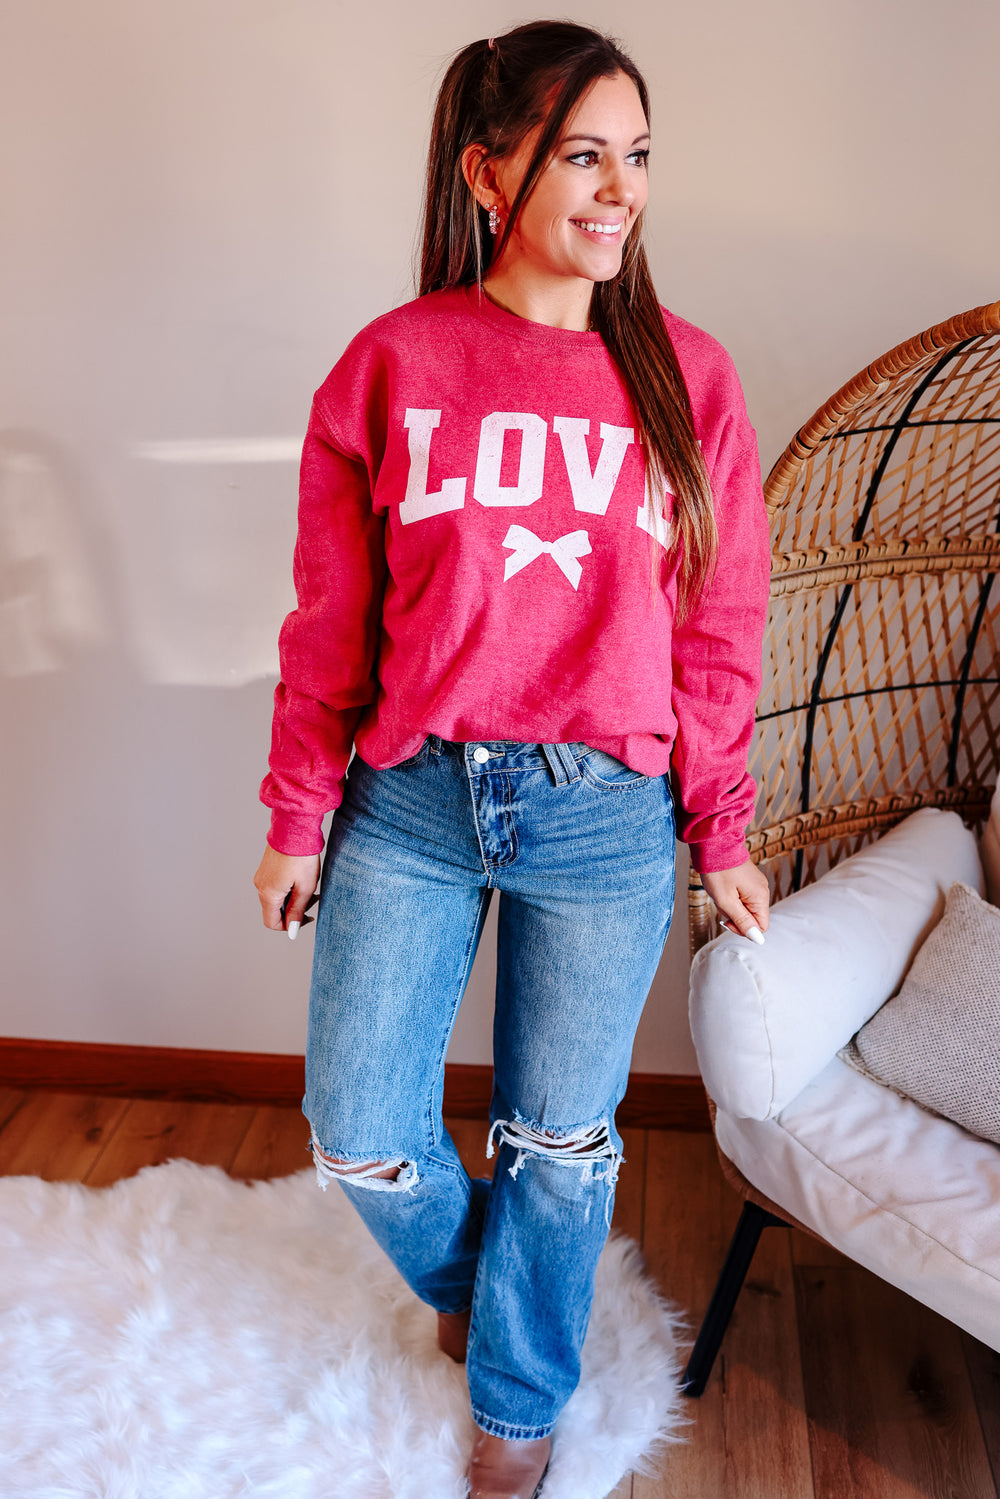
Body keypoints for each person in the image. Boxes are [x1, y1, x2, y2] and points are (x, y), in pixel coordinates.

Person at [253, 20, 771, 1498]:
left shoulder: (689, 378)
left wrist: (721, 827)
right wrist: (296, 811)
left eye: (637, 156)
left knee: (560, 1137)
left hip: (605, 815)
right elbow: (331, 617)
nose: (621, 190)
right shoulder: (394, 365)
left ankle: (520, 1400)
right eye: (582, 155)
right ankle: (495, 1297)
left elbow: (720, 625)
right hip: (413, 799)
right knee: (360, 1129)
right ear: (488, 174)